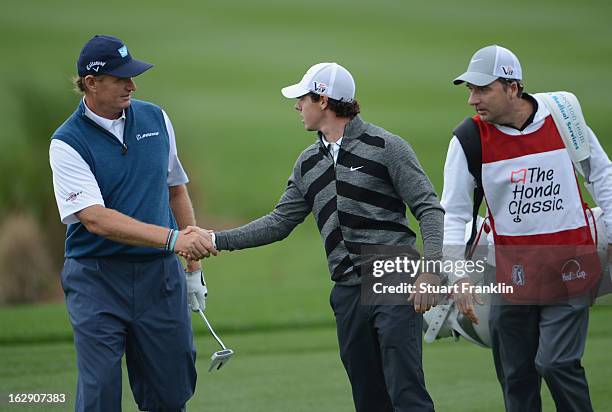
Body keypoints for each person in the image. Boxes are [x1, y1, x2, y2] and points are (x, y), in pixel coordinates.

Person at [187, 62, 444, 412]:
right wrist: (215, 239)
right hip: (346, 291)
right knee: (369, 399)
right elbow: (279, 222)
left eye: (302, 98)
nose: (297, 106)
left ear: (323, 100)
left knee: (406, 393)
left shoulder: (387, 147)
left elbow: (428, 208)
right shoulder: (308, 163)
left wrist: (430, 272)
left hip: (393, 277)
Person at [49, 34, 216, 412]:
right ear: (91, 84)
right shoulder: (67, 142)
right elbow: (96, 219)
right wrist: (175, 240)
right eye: (121, 78)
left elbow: (176, 189)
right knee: (100, 393)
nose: (132, 85)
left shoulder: (156, 118)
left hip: (159, 278)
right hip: (97, 279)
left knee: (171, 391)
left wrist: (193, 267)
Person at [442, 44, 612, 411]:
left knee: (556, 363)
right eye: (469, 90)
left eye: (482, 89)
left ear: (512, 87)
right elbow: (454, 214)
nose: (472, 99)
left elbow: (600, 173)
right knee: (516, 376)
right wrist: (457, 277)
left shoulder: (563, 114)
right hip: (511, 274)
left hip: (572, 265)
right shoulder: (468, 140)